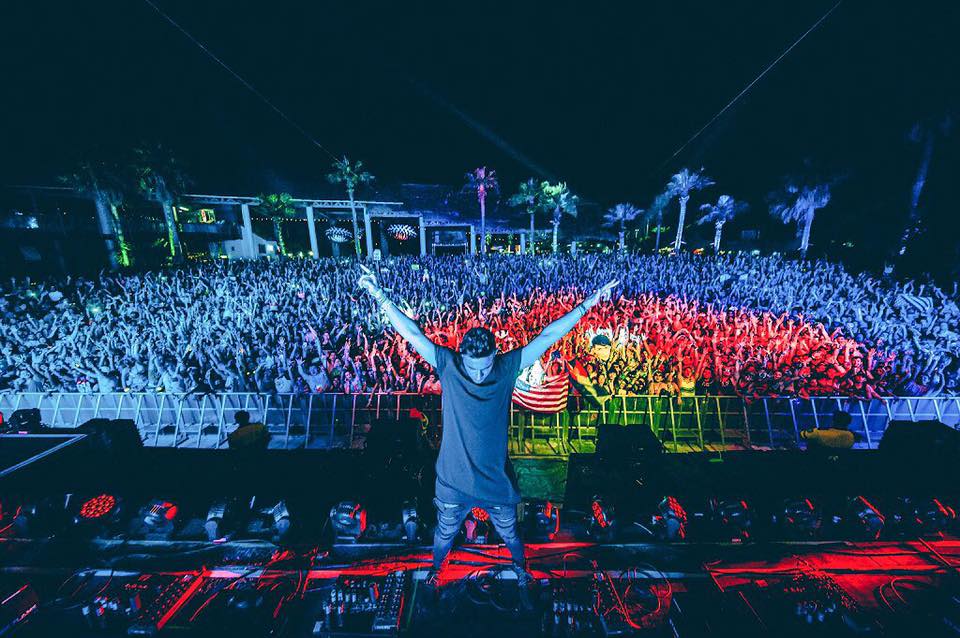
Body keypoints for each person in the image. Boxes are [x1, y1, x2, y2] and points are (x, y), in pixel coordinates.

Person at [358, 264, 618, 588]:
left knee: (510, 532)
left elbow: (548, 336)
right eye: (473, 367)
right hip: (453, 480)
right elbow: (411, 334)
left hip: (495, 481)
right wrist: (379, 295)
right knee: (444, 532)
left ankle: (521, 569)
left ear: (495, 355)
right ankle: (437, 569)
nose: (479, 375)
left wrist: (587, 304)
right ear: (461, 356)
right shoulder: (448, 364)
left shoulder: (506, 366)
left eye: (484, 367)